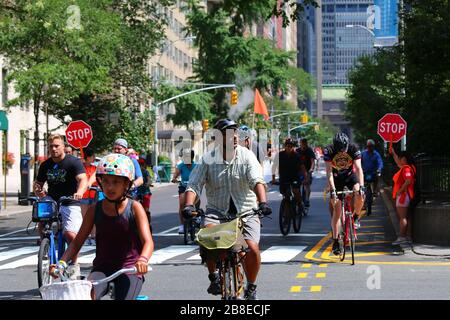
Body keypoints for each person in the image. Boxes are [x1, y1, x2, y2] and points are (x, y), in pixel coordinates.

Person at [183, 119, 271, 300]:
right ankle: (214, 276)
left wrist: (263, 203)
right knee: (207, 238)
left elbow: (257, 181)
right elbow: (194, 185)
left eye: (236, 133)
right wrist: (189, 205)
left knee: (252, 249)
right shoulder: (208, 159)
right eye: (229, 134)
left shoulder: (247, 156)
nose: (235, 137)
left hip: (246, 211)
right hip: (217, 212)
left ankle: (251, 286)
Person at [50, 153, 153, 300]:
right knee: (85, 296)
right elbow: (77, 242)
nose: (110, 186)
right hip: (102, 269)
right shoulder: (94, 210)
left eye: (116, 182)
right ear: (100, 182)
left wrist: (142, 260)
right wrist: (61, 263)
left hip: (129, 269)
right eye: (106, 181)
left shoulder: (135, 208)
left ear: (126, 184)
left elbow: (148, 242)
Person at [33, 134, 88, 269]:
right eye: (51, 146)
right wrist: (38, 191)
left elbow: (83, 179)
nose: (53, 149)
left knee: (70, 234)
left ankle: (74, 263)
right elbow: (38, 184)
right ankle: (44, 244)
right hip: (52, 199)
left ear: (63, 146)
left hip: (70, 200)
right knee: (41, 219)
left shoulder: (73, 162)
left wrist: (79, 192)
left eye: (56, 146)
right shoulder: (45, 165)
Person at [324, 132, 365, 256]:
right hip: (336, 178)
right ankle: (335, 241)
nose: (342, 153)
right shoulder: (329, 150)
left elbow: (358, 169)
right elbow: (329, 172)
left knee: (360, 194)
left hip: (349, 176)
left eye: (344, 150)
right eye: (339, 151)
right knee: (336, 210)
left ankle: (356, 217)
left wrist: (362, 187)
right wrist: (333, 190)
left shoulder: (353, 149)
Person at [271, 138, 306, 212]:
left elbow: (302, 167)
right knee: (286, 196)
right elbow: (274, 167)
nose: (289, 148)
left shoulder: (297, 156)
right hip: (284, 178)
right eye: (287, 146)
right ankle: (287, 216)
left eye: (291, 146)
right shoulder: (279, 155)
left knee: (295, 190)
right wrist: (273, 178)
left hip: (295, 177)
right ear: (285, 146)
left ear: (293, 147)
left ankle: (300, 203)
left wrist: (305, 178)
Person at [390, 148, 416, 245]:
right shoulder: (410, 167)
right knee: (406, 217)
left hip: (403, 196)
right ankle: (408, 237)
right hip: (407, 195)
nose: (400, 160)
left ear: (404, 159)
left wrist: (399, 192)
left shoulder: (406, 169)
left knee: (403, 217)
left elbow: (408, 181)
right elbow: (398, 164)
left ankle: (402, 237)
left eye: (401, 159)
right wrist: (394, 154)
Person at [171, 149, 197, 234]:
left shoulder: (196, 166)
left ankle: (196, 218)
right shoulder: (181, 165)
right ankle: (182, 225)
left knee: (195, 203)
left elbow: (201, 175)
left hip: (193, 187)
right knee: (182, 204)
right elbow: (176, 175)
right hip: (183, 186)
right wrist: (174, 179)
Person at [80, 148, 97, 245]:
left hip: (94, 195)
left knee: (94, 217)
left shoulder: (95, 168)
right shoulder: (80, 168)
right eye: (93, 156)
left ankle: (93, 237)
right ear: (88, 157)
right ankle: (85, 237)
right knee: (85, 218)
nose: (94, 158)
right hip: (83, 196)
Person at [296, 138, 316, 208]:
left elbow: (312, 161)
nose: (303, 144)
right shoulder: (297, 151)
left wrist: (311, 169)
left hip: (307, 170)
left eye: (304, 143)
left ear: (306, 143)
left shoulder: (309, 151)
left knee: (307, 185)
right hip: (299, 170)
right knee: (296, 185)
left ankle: (307, 200)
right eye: (301, 143)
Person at [136, 157, 152, 225]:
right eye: (139, 165)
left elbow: (149, 180)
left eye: (141, 165)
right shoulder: (135, 173)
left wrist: (147, 184)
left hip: (145, 192)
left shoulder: (145, 172)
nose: (140, 167)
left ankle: (148, 223)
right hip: (137, 192)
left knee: (146, 210)